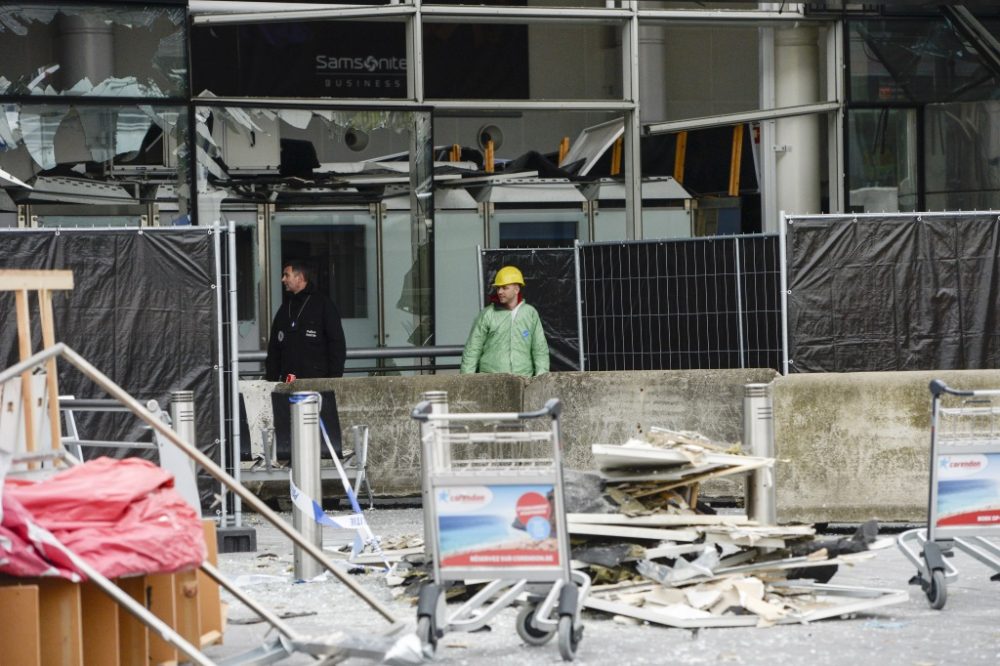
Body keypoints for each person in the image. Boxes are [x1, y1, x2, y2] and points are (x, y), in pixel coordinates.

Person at [265, 260, 347, 455]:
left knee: (319, 438)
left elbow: (337, 344)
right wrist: (271, 381)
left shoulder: (323, 305)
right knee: (291, 438)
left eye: (287, 275)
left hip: (318, 385)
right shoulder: (285, 308)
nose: (282, 279)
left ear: (300, 278)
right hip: (289, 384)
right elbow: (275, 348)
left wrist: (333, 380)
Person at [460, 265, 549, 376]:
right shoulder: (488, 314)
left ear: (516, 289)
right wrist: (465, 381)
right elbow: (473, 349)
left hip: (523, 380)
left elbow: (539, 349)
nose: (500, 292)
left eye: (504, 287)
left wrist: (541, 378)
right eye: (498, 288)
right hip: (491, 381)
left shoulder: (530, 314)